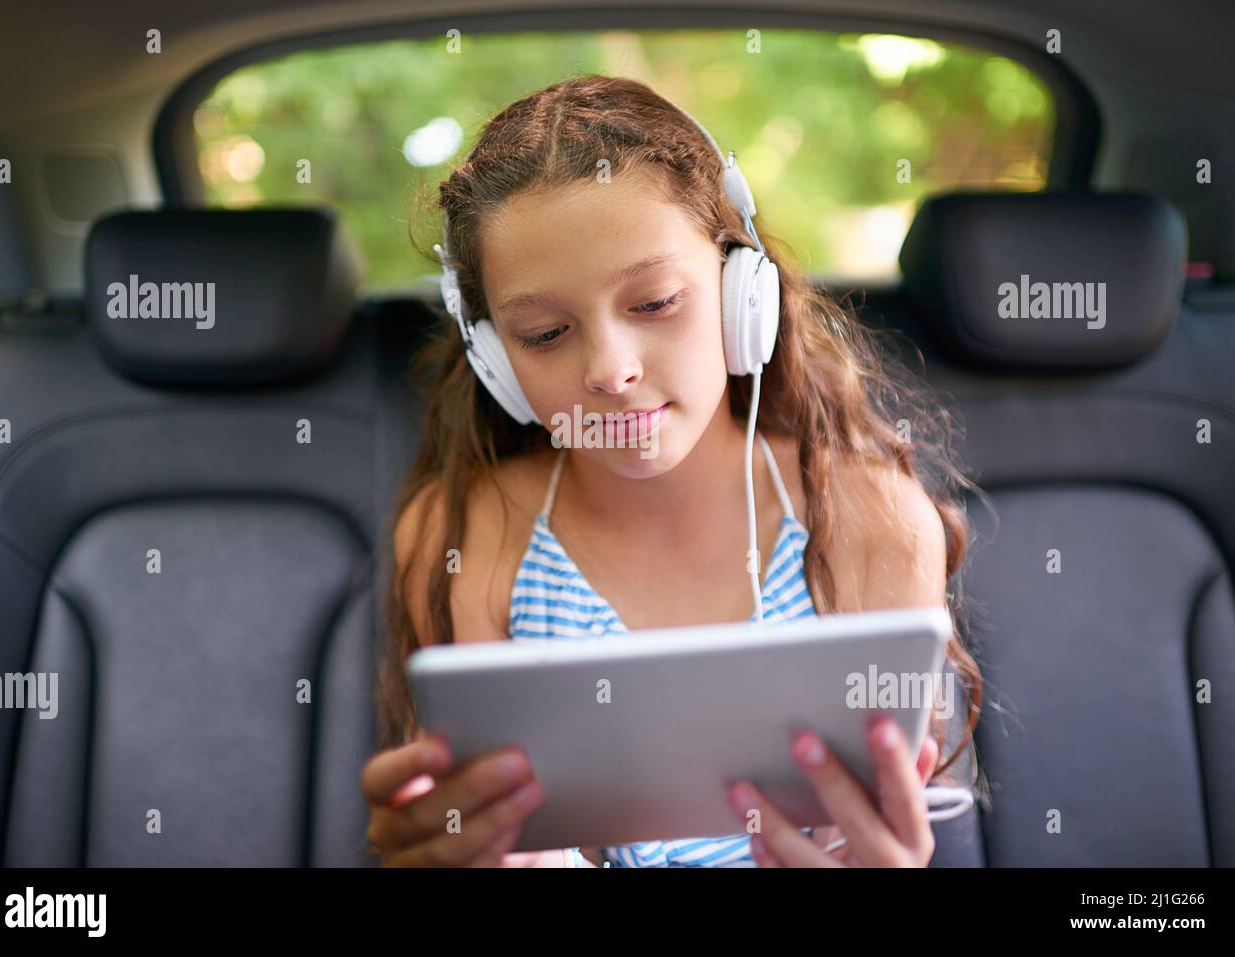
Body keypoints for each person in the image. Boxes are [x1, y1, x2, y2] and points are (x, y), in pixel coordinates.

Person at [362, 73, 984, 867]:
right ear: (496, 364)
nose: (612, 371)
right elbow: (462, 826)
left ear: (740, 297)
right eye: (546, 333)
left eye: (654, 303)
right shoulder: (468, 533)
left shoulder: (870, 522)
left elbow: (884, 822)